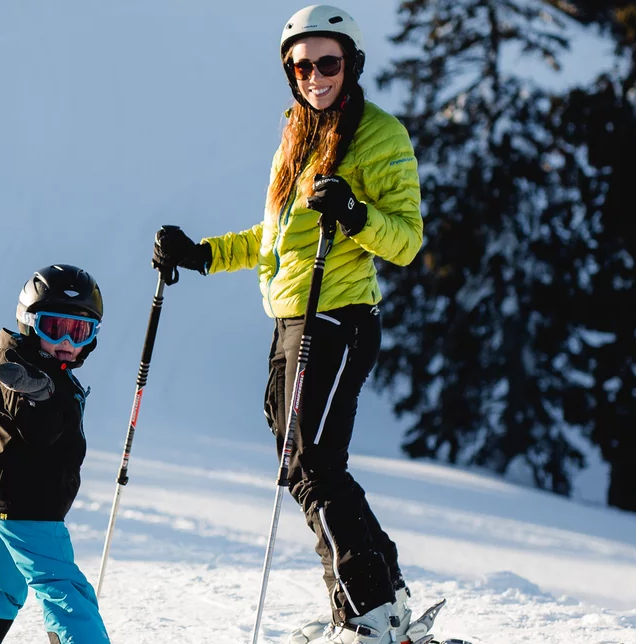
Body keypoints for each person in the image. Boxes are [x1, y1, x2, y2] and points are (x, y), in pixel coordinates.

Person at [150, 6, 433, 644]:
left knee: (313, 464)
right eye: (301, 65)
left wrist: (356, 213)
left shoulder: (380, 136)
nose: (314, 75)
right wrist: (200, 253)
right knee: (302, 463)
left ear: (351, 64)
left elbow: (409, 242)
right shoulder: (297, 134)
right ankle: (380, 592)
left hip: (338, 317)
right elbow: (275, 240)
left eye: (327, 62)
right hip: (289, 319)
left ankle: (367, 610)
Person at [0, 265, 111, 644]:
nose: (67, 341)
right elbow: (37, 430)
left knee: (0, 589)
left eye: (80, 330)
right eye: (54, 328)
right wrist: (39, 395)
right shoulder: (18, 372)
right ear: (28, 323)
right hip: (28, 506)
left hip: (13, 502)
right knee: (64, 590)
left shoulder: (45, 369)